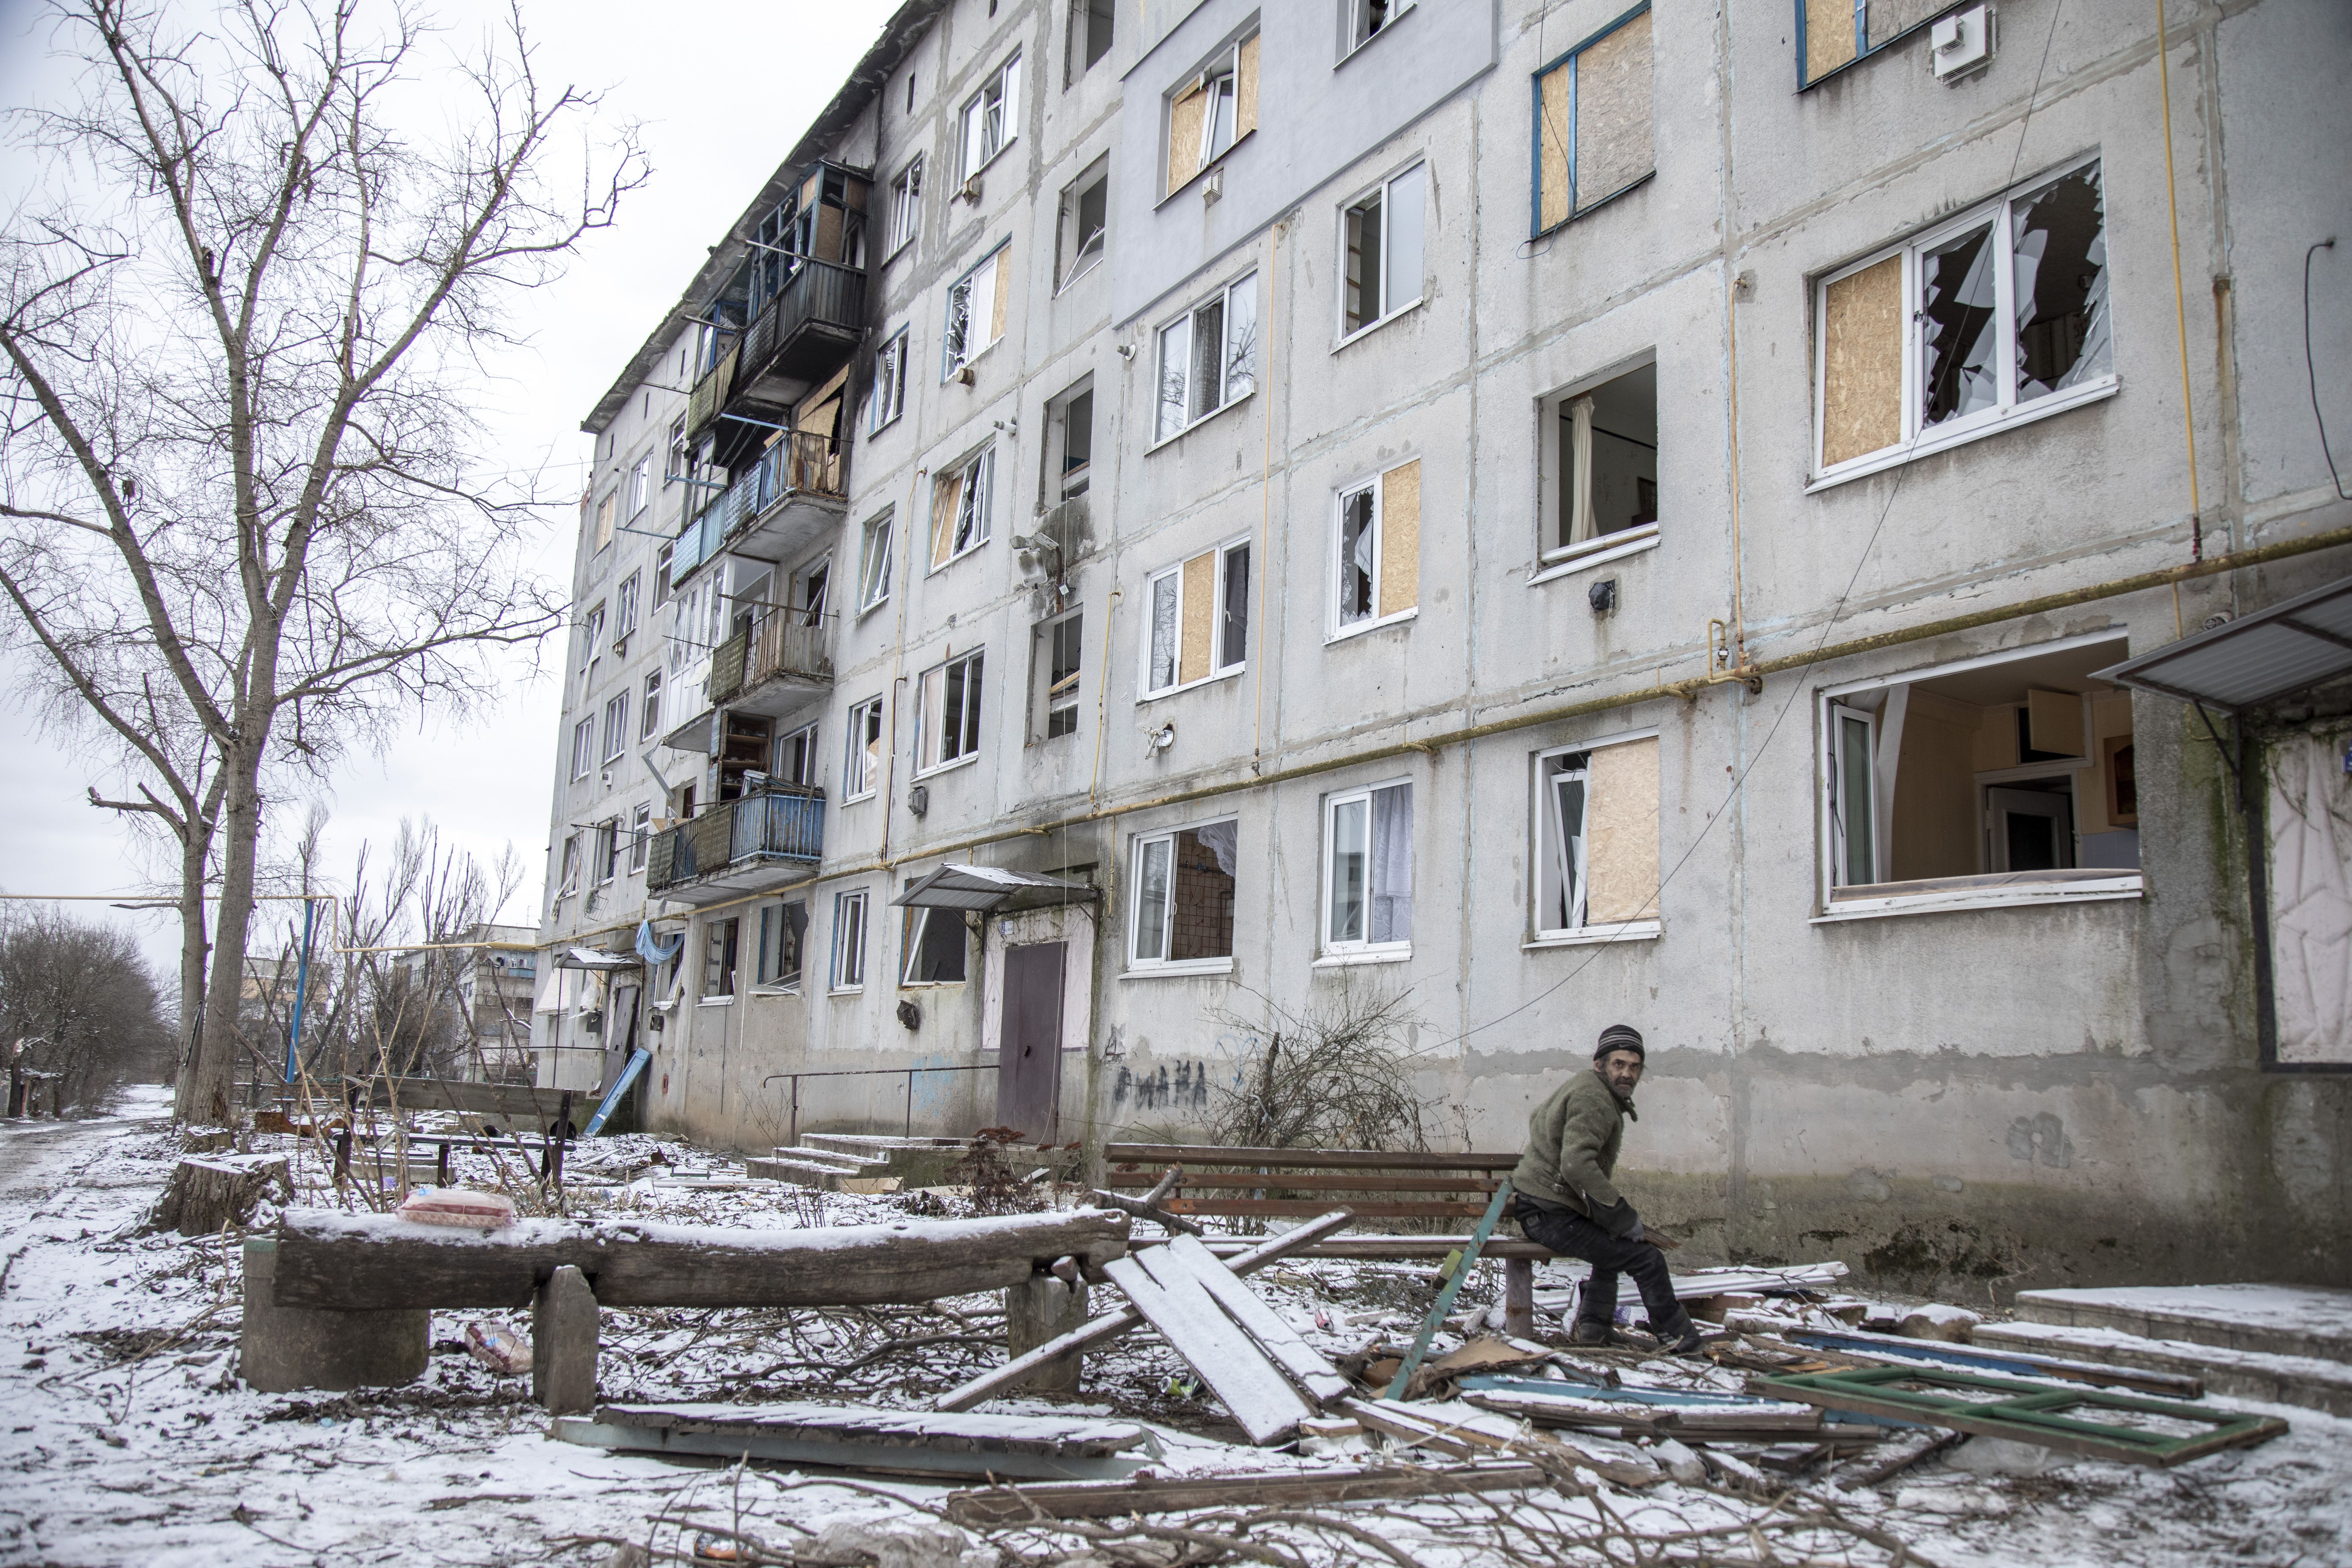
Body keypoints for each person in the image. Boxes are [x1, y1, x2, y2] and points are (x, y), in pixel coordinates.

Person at [1510, 1023, 1701, 1352]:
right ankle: (1681, 1341)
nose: (1627, 1074)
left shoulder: (1588, 1087)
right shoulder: (1594, 1097)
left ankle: (1595, 1329)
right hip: (1548, 1215)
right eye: (1619, 1064)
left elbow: (1539, 1118)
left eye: (1635, 1066)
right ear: (1600, 1064)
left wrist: (1608, 1217)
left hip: (1545, 1209)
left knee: (1612, 1251)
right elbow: (1576, 1163)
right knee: (1648, 1260)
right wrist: (1622, 1216)